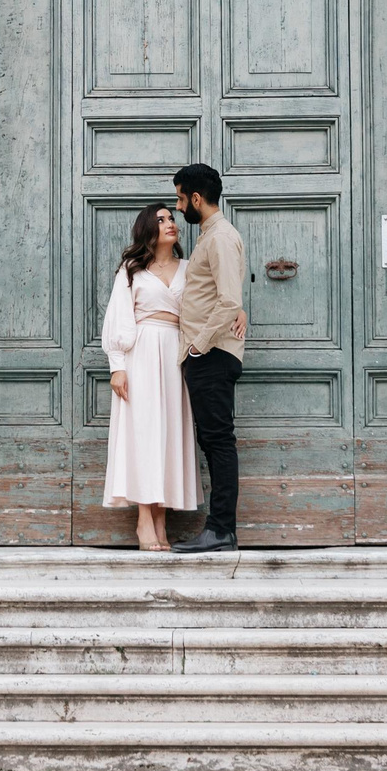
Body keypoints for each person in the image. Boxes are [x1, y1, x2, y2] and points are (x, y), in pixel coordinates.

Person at [100, 202, 200, 551]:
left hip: (176, 355)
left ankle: (162, 518)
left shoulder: (190, 268)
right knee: (143, 434)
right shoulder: (132, 269)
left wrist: (238, 309)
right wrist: (118, 366)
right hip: (140, 353)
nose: (170, 223)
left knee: (168, 435)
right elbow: (117, 316)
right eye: (161, 220)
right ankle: (145, 519)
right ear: (148, 228)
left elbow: (208, 303)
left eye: (172, 218)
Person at [170, 161, 245, 553]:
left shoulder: (219, 238)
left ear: (197, 198)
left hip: (212, 354)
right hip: (209, 353)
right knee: (214, 440)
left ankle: (220, 530)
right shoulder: (211, 236)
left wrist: (198, 344)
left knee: (217, 441)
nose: (179, 207)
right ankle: (219, 529)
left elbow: (230, 299)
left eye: (182, 198)